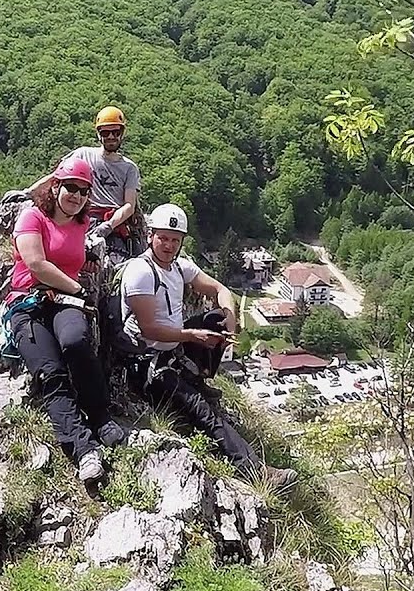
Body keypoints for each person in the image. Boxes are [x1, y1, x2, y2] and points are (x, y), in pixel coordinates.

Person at [118, 204, 299, 489]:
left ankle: (197, 376)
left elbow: (219, 290)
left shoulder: (178, 267)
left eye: (175, 240)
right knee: (203, 411)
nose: (168, 245)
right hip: (146, 362)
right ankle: (256, 472)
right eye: (163, 238)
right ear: (151, 236)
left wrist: (230, 318)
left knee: (215, 318)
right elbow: (149, 330)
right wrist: (192, 336)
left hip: (172, 349)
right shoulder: (141, 272)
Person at [4, 156, 126, 484]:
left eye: (84, 191)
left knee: (76, 343)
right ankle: (84, 450)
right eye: (71, 187)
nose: (77, 196)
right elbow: (36, 263)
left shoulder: (80, 224)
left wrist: (85, 259)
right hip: (29, 304)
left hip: (64, 303)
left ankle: (101, 418)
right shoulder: (32, 216)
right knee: (51, 372)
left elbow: (70, 250)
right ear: (55, 186)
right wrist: (75, 287)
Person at [2, 106, 141, 259]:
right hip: (80, 214)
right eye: (105, 132)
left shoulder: (129, 168)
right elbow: (56, 177)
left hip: (111, 221)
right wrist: (27, 193)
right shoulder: (83, 154)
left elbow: (129, 205)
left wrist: (108, 226)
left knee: (114, 262)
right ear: (98, 134)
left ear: (122, 133)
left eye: (116, 132)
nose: (111, 137)